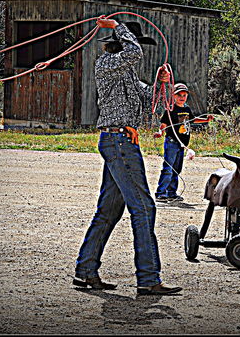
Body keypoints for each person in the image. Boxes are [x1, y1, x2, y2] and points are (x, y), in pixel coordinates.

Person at [73, 17, 182, 295]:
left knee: (109, 209)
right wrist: (116, 25)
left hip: (119, 140)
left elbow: (153, 108)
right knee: (144, 208)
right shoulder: (106, 65)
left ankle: (86, 271)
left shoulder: (129, 75)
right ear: (120, 44)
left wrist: (162, 84)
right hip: (119, 141)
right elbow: (134, 52)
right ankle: (148, 278)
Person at [153, 83, 213, 202]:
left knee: (176, 169)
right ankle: (160, 193)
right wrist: (160, 132)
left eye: (184, 95)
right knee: (168, 168)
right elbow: (164, 125)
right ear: (174, 96)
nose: (182, 97)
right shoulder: (170, 110)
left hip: (182, 145)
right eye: (179, 95)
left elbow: (193, 119)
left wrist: (205, 119)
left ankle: (171, 192)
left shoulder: (186, 109)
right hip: (171, 142)